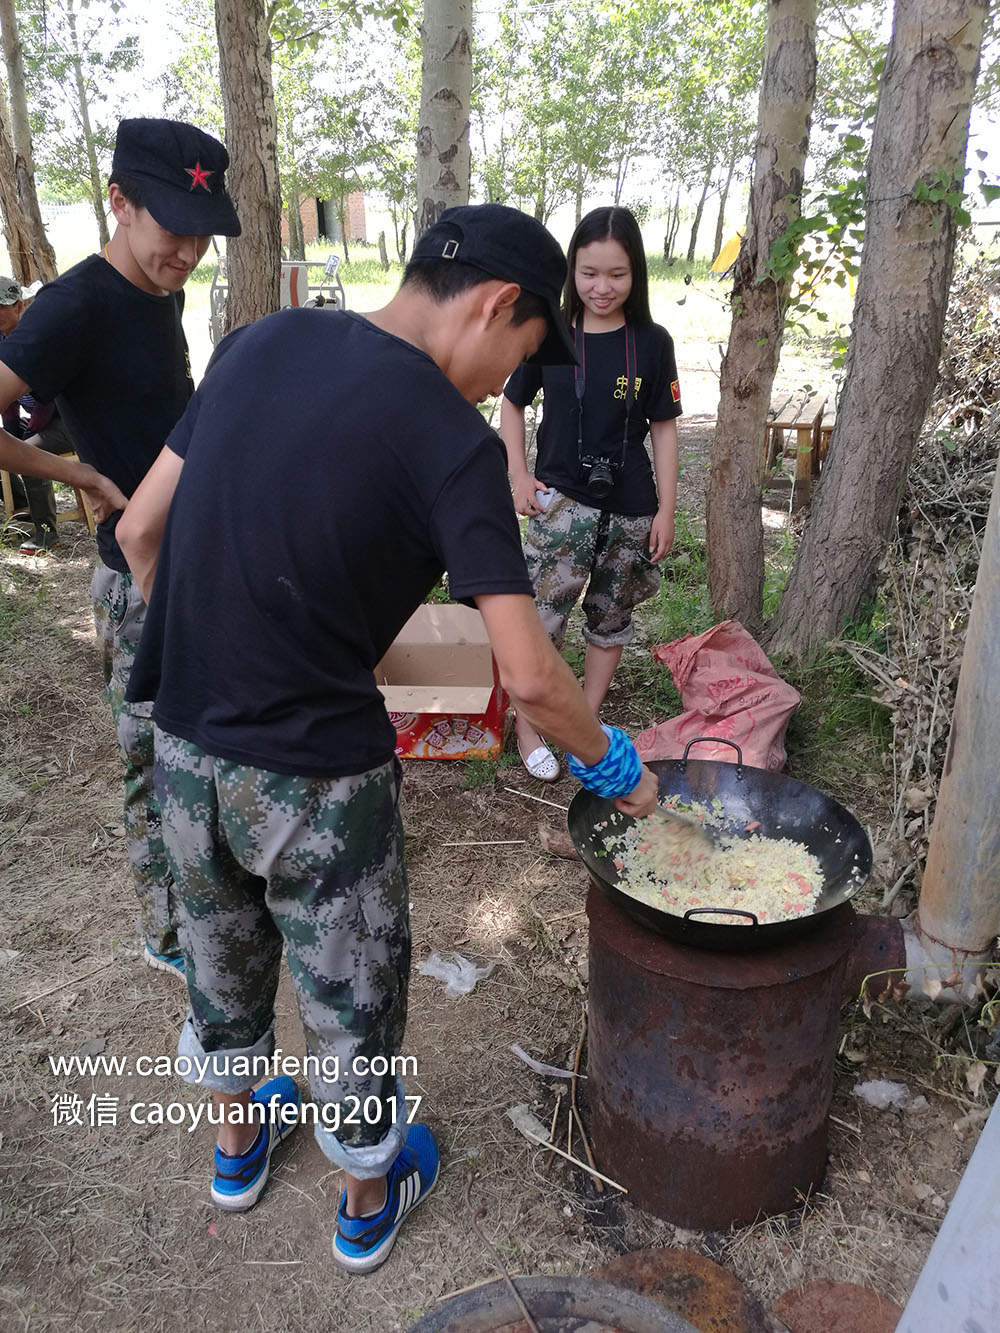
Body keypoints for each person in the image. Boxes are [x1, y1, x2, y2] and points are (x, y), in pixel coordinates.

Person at [116, 203, 659, 1273]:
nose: (504, 386)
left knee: (220, 963)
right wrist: (616, 767)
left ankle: (237, 1150)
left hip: (180, 742)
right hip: (317, 775)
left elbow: (142, 531)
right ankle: (367, 1195)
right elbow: (529, 674)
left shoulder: (257, 340)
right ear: (502, 304)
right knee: (350, 990)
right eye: (520, 357)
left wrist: (217, 663)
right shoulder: (451, 444)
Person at [0, 118, 241, 976]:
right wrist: (75, 472)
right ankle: (165, 929)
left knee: (200, 747)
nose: (188, 251)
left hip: (189, 552)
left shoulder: (161, 290)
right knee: (150, 761)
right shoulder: (76, 301)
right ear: (120, 201)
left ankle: (209, 894)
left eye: (202, 235)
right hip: (131, 579)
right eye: (173, 227)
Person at [500, 205, 682, 781]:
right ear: (571, 272)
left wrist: (666, 510)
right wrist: (519, 475)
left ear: (637, 276)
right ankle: (530, 727)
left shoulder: (652, 342)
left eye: (617, 274)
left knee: (610, 619)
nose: (602, 288)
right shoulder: (550, 330)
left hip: (630, 508)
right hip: (561, 507)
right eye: (589, 273)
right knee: (541, 620)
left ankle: (585, 723)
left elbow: (664, 426)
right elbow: (511, 404)